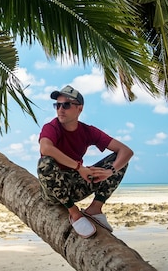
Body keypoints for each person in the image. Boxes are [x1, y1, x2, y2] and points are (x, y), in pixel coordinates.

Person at [37, 85, 133, 238]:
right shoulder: (51, 127)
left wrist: (109, 171)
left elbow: (126, 151)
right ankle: (74, 212)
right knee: (44, 163)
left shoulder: (88, 131)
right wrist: (79, 167)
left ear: (79, 109)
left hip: (76, 185)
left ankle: (95, 208)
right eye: (57, 105)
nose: (60, 109)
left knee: (118, 160)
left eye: (66, 105)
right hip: (54, 191)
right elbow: (46, 148)